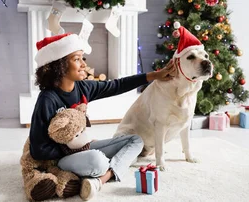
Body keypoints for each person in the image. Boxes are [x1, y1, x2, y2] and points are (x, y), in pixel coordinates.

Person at [28, 33, 176, 201]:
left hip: (84, 147)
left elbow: (116, 85)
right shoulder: (47, 99)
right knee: (97, 160)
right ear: (59, 65)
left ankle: (100, 180)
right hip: (60, 160)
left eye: (83, 58)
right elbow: (37, 149)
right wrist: (71, 148)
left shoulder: (83, 87)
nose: (84, 64)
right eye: (77, 59)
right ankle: (101, 170)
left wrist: (154, 75)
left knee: (135, 141)